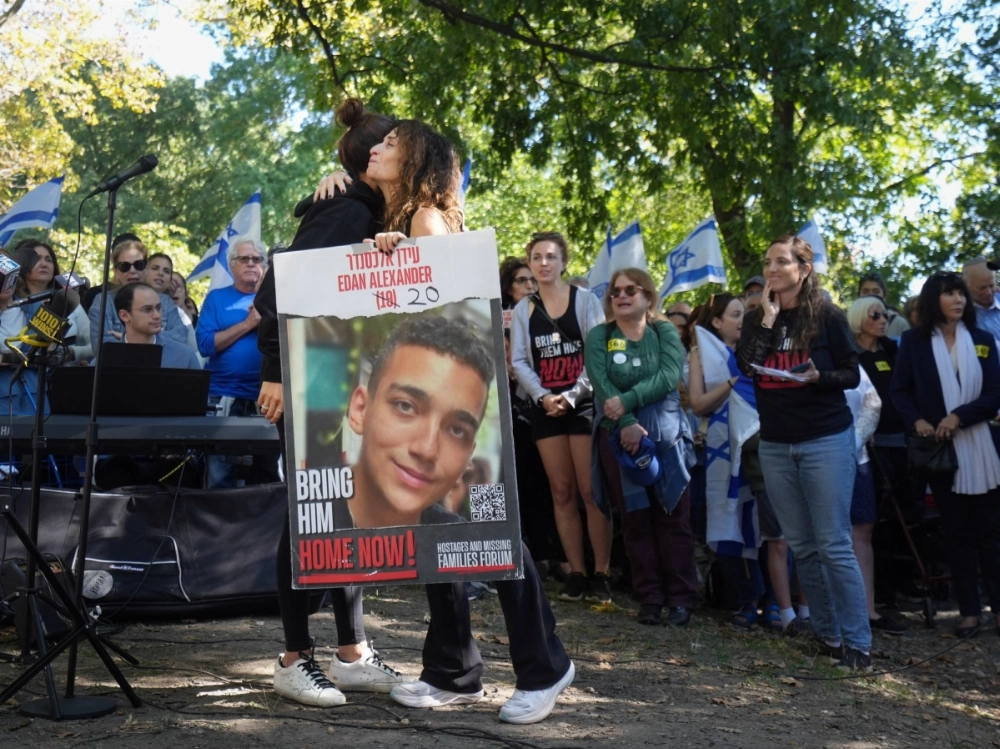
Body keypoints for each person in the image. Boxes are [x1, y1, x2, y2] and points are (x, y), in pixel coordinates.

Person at [363, 120, 575, 724]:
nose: (376, 149)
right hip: (449, 410)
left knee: (493, 536)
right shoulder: (412, 220)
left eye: (391, 145)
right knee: (444, 534)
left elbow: (447, 311)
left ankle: (544, 666)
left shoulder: (426, 219)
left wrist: (404, 257)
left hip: (464, 411)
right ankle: (452, 672)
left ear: (417, 161)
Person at [256, 98, 405, 709]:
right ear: (372, 160)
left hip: (347, 381)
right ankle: (293, 658)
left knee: (345, 514)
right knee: (310, 515)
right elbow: (278, 290)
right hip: (307, 382)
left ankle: (352, 652)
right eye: (396, 144)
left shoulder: (366, 211)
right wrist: (274, 374)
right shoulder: (343, 209)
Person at [737, 235, 872, 671]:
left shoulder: (828, 316)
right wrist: (767, 319)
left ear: (803, 269)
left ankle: (858, 645)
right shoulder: (760, 317)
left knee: (833, 543)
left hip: (824, 439)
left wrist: (819, 376)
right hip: (775, 443)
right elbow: (745, 366)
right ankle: (829, 636)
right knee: (802, 545)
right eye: (768, 262)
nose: (772, 269)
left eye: (781, 262)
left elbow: (851, 375)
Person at [890, 271, 1000, 639]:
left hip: (982, 449)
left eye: (961, 294)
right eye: (950, 294)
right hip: (940, 455)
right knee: (957, 536)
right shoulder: (913, 343)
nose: (959, 300)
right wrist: (918, 420)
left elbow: (993, 396)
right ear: (932, 299)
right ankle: (969, 613)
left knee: (990, 535)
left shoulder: (983, 340)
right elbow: (900, 392)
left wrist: (958, 417)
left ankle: (997, 610)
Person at [585, 267, 697, 627]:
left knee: (673, 516)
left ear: (648, 297)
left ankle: (680, 599)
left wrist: (629, 402)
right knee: (635, 519)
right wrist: (626, 423)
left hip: (665, 432)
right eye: (615, 291)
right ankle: (649, 597)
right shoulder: (600, 336)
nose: (621, 296)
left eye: (631, 290)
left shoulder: (664, 331)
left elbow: (668, 376)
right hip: (617, 431)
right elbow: (601, 383)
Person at [510, 232, 609, 603]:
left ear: (563, 261)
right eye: (536, 257)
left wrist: (571, 395)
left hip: (581, 403)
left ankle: (602, 571)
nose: (543, 263)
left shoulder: (584, 301)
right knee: (562, 491)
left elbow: (595, 353)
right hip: (545, 407)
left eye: (550, 256)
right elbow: (519, 360)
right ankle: (577, 572)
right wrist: (543, 396)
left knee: (589, 490)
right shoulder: (524, 310)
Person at [345, 316, 494, 528]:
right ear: (360, 410)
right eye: (405, 406)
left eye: (457, 430)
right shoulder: (287, 525)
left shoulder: (479, 549)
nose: (426, 449)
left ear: (469, 455)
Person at [687, 294, 773, 630]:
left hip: (762, 444)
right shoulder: (700, 354)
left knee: (766, 522)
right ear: (717, 322)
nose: (742, 320)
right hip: (723, 449)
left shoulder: (758, 348)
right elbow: (697, 404)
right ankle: (746, 599)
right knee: (732, 520)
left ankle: (776, 600)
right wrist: (732, 382)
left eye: (744, 314)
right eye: (735, 314)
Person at [847, 296, 910, 631]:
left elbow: (880, 401)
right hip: (849, 448)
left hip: (879, 445)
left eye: (886, 314)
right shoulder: (844, 354)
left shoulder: (892, 350)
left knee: (870, 526)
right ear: (859, 318)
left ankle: (872, 606)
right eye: (875, 315)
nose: (883, 320)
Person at [196, 236, 279, 489]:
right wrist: (248, 324)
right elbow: (205, 345)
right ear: (232, 265)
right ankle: (217, 528)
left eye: (257, 259)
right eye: (245, 259)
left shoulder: (277, 298)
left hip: (267, 399)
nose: (252, 264)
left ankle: (266, 528)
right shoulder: (216, 299)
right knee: (220, 473)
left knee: (266, 474)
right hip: (224, 397)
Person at [499, 256, 563, 580]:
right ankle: (529, 556)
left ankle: (551, 554)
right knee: (522, 485)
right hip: (509, 413)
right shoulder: (496, 319)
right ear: (508, 287)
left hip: (544, 406)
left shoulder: (547, 316)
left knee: (547, 485)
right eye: (522, 280)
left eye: (532, 281)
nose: (529, 286)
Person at [88, 240, 187, 352]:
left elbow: (181, 335)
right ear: (116, 271)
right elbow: (100, 346)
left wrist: (129, 339)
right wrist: (150, 340)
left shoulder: (165, 301)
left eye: (138, 265)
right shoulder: (103, 301)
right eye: (124, 266)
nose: (132, 270)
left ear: (146, 269)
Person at [11, 238, 91, 365]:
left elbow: (94, 345)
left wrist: (71, 352)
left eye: (48, 260)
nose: (44, 264)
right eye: (37, 259)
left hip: (64, 377)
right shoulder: (13, 303)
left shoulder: (68, 301)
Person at [112, 282, 201, 369]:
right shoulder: (106, 358)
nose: (157, 315)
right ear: (125, 315)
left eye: (158, 308)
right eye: (147, 309)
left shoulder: (184, 356)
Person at [961, 258, 1000, 346]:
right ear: (965, 284)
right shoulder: (959, 312)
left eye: (991, 285)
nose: (988, 292)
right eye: (982, 288)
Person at [858, 272, 909, 338]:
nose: (870, 295)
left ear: (884, 296)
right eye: (865, 292)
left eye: (876, 292)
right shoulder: (850, 324)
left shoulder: (898, 324)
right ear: (859, 295)